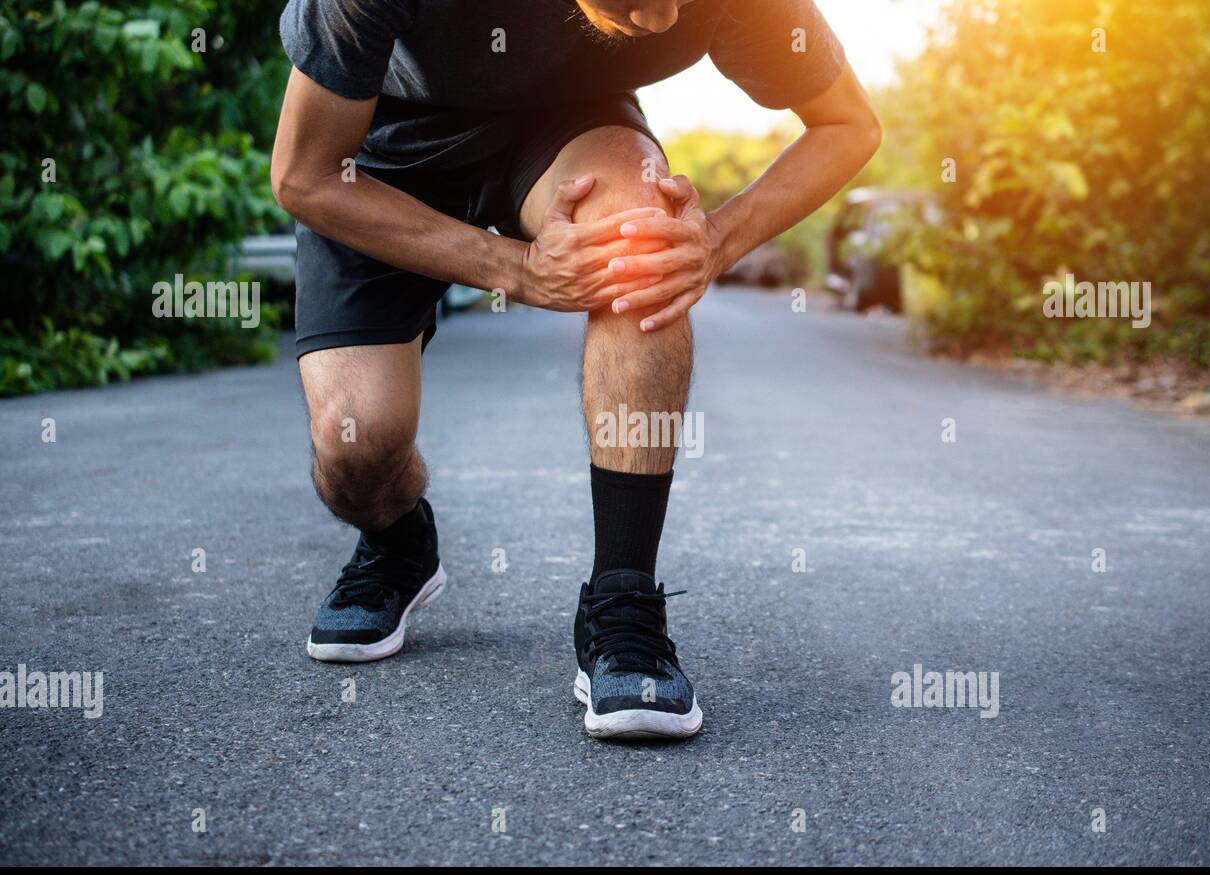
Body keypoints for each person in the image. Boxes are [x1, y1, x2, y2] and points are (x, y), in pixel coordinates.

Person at [270, 0, 881, 739]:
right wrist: (515, 270)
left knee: (642, 243)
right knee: (357, 445)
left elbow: (850, 124)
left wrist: (714, 242)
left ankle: (622, 603)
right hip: (382, 152)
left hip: (572, 129)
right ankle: (399, 543)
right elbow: (305, 176)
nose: (660, 19)